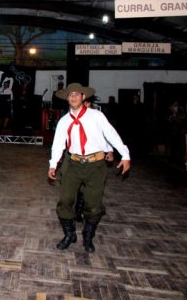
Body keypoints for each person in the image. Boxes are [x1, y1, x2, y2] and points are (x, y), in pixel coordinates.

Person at [48, 83, 131, 253]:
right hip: (73, 164)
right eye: (70, 95)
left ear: (83, 97)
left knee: (93, 204)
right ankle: (70, 235)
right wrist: (53, 164)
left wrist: (125, 155)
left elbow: (111, 134)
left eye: (76, 94)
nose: (73, 97)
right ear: (67, 98)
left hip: (95, 165)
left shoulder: (96, 116)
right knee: (65, 200)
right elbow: (58, 144)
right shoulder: (64, 121)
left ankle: (88, 236)